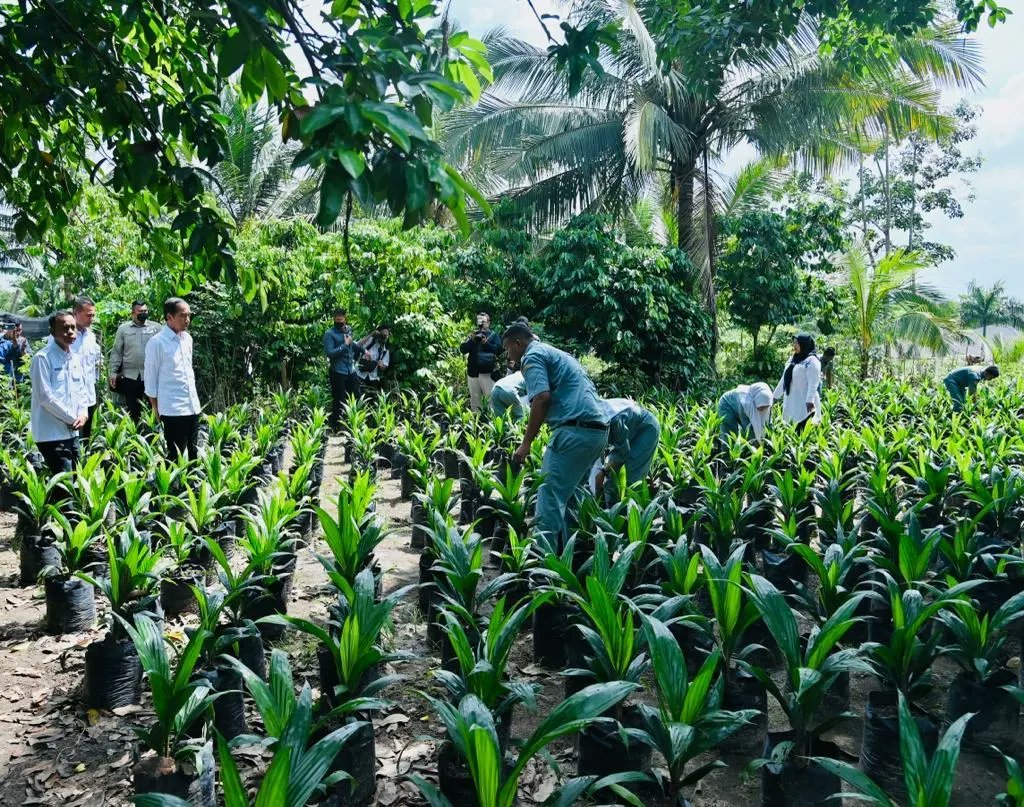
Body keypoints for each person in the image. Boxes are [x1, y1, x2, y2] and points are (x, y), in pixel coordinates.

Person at [503, 322, 609, 550]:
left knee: (549, 495)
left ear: (518, 343)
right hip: (597, 431)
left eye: (508, 349)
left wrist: (526, 443)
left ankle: (544, 565)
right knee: (571, 497)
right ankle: (572, 555)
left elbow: (541, 397)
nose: (508, 355)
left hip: (573, 431)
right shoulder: (555, 352)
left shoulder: (531, 357)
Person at [30, 311, 89, 474]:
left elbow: (82, 391)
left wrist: (83, 414)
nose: (70, 332)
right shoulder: (42, 358)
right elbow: (45, 397)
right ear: (52, 332)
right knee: (65, 487)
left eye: (73, 327)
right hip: (51, 434)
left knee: (77, 480)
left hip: (73, 432)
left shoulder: (75, 358)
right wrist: (72, 418)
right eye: (65, 328)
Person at [145, 297, 202, 461]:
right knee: (175, 456)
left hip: (192, 406)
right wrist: (155, 408)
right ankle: (173, 487)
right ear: (169, 317)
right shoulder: (157, 343)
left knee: (193, 453)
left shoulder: (187, 339)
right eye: (183, 316)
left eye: (189, 316)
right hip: (172, 409)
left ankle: (192, 486)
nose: (187, 320)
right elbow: (150, 379)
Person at [593, 398, 661, 495]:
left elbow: (623, 453)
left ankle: (626, 508)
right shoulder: (590, 423)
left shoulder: (614, 422)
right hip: (630, 430)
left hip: (646, 429)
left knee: (627, 477)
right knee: (612, 474)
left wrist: (603, 471)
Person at [108, 300, 161, 423]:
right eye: (140, 311)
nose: (143, 313)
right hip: (130, 376)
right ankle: (135, 436)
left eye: (145, 311)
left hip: (151, 376)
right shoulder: (123, 329)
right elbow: (117, 351)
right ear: (133, 313)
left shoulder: (156, 328)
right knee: (133, 410)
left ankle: (155, 436)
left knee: (154, 409)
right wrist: (113, 372)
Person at [66, 297, 102, 440]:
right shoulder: (64, 336)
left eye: (93, 315)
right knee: (71, 436)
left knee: (86, 436)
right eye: (88, 315)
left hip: (88, 395)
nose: (92, 318)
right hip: (71, 396)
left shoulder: (91, 337)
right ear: (76, 313)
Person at [324, 308, 364, 429]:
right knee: (339, 399)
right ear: (333, 319)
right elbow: (330, 353)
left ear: (345, 319)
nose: (339, 322)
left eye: (341, 320)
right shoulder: (329, 334)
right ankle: (334, 425)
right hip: (337, 371)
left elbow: (353, 343)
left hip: (350, 370)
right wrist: (344, 345)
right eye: (337, 320)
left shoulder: (348, 330)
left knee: (357, 396)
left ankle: (356, 423)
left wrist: (364, 351)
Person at [774, 333, 821, 432]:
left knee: (802, 431)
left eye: (797, 343)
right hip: (791, 401)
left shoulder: (812, 361)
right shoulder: (793, 359)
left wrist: (810, 400)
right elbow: (784, 379)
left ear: (804, 344)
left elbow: (814, 382)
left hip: (805, 405)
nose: (794, 345)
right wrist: (775, 396)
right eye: (794, 343)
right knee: (790, 430)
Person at [460, 312, 503, 412]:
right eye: (479, 321)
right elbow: (463, 349)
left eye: (483, 321)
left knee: (491, 400)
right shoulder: (473, 335)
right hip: (473, 373)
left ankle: (491, 424)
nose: (481, 324)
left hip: (487, 374)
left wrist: (486, 343)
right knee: (475, 401)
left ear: (488, 323)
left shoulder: (494, 335)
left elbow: (499, 350)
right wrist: (472, 340)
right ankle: (476, 424)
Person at [356, 325, 391, 395]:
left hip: (373, 378)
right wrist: (371, 334)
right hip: (360, 374)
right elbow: (357, 345)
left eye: (386, 336)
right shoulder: (370, 341)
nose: (384, 337)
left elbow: (385, 366)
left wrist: (382, 366)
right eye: (383, 335)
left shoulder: (385, 350)